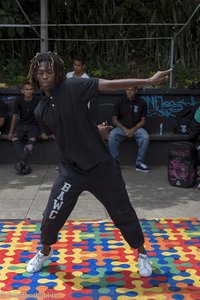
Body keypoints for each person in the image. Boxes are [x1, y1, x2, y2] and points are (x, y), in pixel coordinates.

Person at [26, 51, 171, 276]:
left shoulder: (74, 87)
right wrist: (93, 130)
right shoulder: (40, 110)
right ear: (35, 75)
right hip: (71, 170)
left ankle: (142, 253)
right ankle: (45, 252)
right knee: (51, 216)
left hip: (102, 167)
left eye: (49, 71)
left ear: (58, 72)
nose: (45, 75)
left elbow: (110, 85)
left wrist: (148, 81)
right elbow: (63, 130)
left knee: (123, 214)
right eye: (41, 72)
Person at [108, 86, 150, 172]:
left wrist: (133, 130)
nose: (129, 92)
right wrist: (124, 129)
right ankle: (115, 163)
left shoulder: (142, 102)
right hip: (122, 128)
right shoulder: (119, 101)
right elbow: (114, 119)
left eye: (131, 90)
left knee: (145, 137)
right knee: (111, 135)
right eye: (127, 89)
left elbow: (143, 121)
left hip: (136, 128)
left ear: (136, 91)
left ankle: (139, 163)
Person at [7, 82, 40, 175]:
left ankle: (21, 161)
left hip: (33, 126)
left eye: (30, 89)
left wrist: (45, 131)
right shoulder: (19, 100)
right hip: (21, 125)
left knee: (32, 140)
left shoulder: (37, 100)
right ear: (22, 91)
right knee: (14, 138)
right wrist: (10, 131)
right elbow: (14, 116)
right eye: (26, 89)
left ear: (33, 91)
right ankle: (24, 162)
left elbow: (42, 116)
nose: (29, 91)